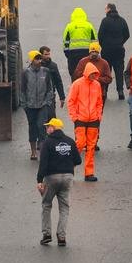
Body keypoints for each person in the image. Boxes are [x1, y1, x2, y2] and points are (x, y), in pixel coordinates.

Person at [37, 118, 80, 246]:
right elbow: (78, 160)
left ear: (54, 128)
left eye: (48, 126)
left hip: (51, 178)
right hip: (67, 178)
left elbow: (43, 164)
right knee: (64, 208)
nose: (46, 129)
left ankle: (46, 234)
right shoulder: (70, 141)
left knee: (46, 205)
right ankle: (61, 237)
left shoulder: (47, 143)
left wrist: (39, 181)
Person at [67, 63, 104, 181]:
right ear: (88, 73)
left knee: (91, 147)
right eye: (93, 74)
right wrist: (75, 117)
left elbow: (99, 102)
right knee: (80, 144)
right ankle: (69, 169)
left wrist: (98, 116)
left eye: (95, 74)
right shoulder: (77, 84)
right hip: (80, 119)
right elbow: (71, 101)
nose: (94, 76)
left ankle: (89, 173)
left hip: (93, 119)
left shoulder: (97, 85)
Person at [19, 50, 55, 160]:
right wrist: (24, 104)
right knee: (32, 127)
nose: (39, 61)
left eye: (40, 58)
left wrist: (48, 102)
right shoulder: (26, 73)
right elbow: (22, 90)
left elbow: (50, 88)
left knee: (41, 126)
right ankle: (33, 152)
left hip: (42, 105)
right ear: (32, 60)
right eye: (37, 58)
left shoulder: (46, 71)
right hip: (30, 106)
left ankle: (43, 152)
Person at [97, 3, 130, 99]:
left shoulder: (105, 21)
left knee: (106, 71)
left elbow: (100, 35)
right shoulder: (122, 20)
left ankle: (105, 91)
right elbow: (127, 34)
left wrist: (104, 45)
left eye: (105, 8)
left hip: (107, 50)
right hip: (119, 50)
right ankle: (120, 91)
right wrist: (120, 42)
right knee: (119, 70)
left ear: (109, 9)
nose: (105, 10)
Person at [62, 7, 97, 78]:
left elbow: (66, 41)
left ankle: (75, 87)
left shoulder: (69, 26)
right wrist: (94, 52)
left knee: (74, 73)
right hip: (86, 52)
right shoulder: (89, 25)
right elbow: (94, 40)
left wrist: (67, 54)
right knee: (87, 72)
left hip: (73, 53)